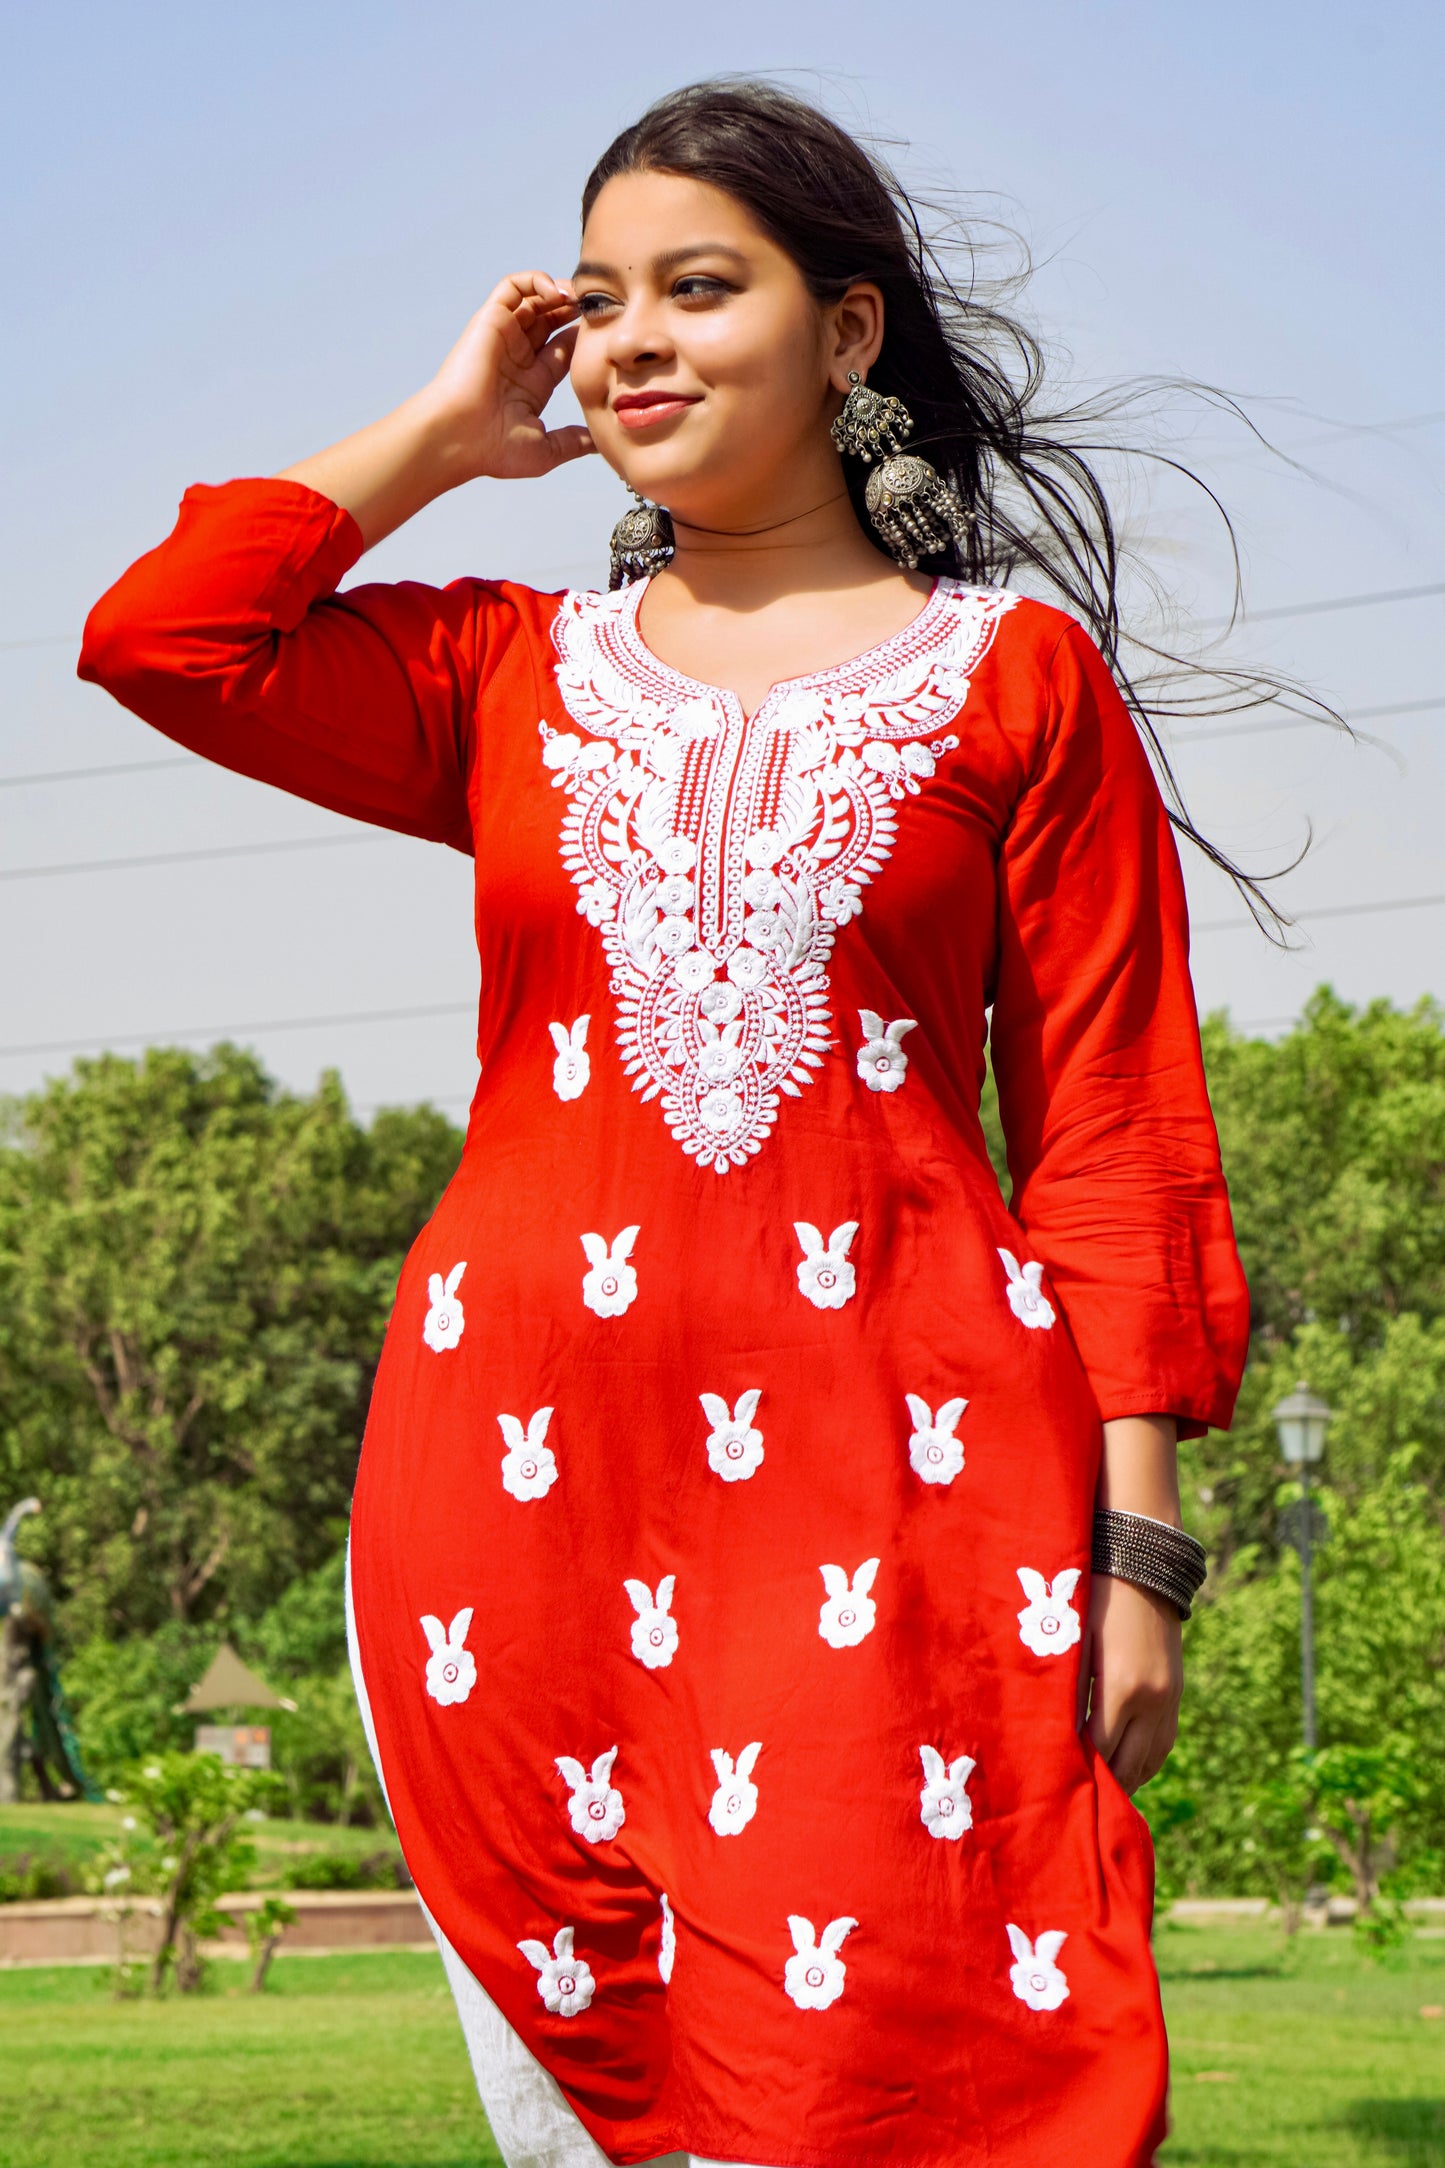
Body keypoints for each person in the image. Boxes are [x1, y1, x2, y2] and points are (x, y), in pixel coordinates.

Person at [80, 78, 1249, 2168]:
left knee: (892, 2066)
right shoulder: (508, 676)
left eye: (699, 289)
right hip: (517, 1498)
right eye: (595, 300)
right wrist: (446, 434)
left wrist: (1137, 1541)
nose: (633, 340)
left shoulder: (1016, 678)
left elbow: (1111, 1122)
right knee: (598, 2102)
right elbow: (163, 637)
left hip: (904, 1490)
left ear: (848, 332)